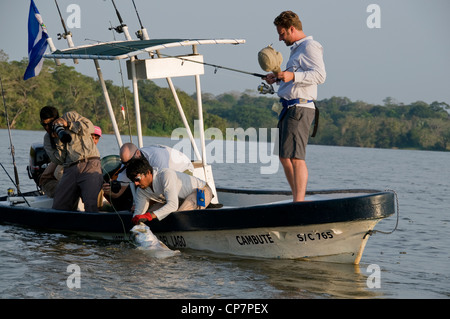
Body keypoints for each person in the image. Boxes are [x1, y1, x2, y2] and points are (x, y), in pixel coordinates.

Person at [264, 10, 326, 202]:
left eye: (282, 33)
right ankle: (296, 198)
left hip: (300, 108)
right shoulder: (295, 51)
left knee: (296, 158)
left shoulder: (310, 46)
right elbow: (294, 79)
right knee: (284, 157)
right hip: (287, 108)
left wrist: (292, 76)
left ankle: (299, 203)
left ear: (292, 29)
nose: (280, 38)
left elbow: (320, 76)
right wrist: (278, 78)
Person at [40, 106, 103, 212]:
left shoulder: (70, 116)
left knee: (91, 205)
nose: (47, 127)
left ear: (56, 119)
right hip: (70, 169)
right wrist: (58, 141)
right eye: (44, 124)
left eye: (49, 124)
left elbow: (90, 127)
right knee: (59, 207)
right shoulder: (48, 139)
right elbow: (58, 161)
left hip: (89, 163)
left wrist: (68, 125)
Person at [102, 143, 194, 208]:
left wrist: (145, 205)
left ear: (138, 153)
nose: (128, 166)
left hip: (182, 168)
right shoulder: (127, 164)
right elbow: (119, 192)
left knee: (168, 193)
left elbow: (164, 184)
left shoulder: (157, 157)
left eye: (130, 162)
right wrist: (110, 192)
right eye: (125, 163)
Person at [125, 157, 212, 224]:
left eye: (137, 179)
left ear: (148, 172)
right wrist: (136, 221)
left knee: (180, 216)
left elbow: (173, 205)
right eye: (133, 181)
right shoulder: (141, 191)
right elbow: (138, 214)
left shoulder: (166, 175)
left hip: (201, 190)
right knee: (147, 217)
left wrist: (150, 216)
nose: (136, 184)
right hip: (175, 200)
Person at [39, 125, 103, 198]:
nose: (93, 140)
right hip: (53, 182)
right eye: (91, 137)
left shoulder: (94, 155)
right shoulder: (72, 151)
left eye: (96, 138)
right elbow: (57, 173)